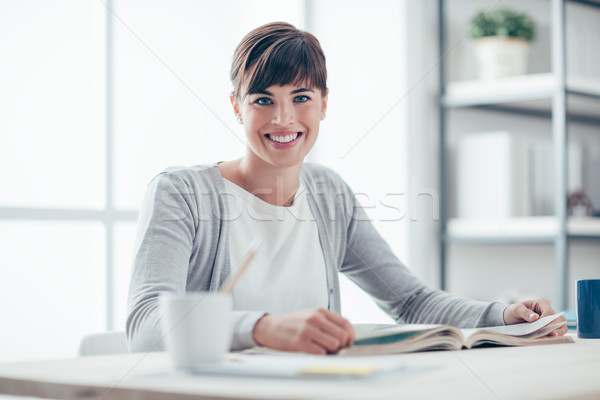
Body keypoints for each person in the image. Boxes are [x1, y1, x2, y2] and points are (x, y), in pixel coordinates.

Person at [126, 21, 567, 355]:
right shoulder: (180, 193)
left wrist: (502, 316)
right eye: (263, 100)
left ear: (324, 104)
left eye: (301, 98)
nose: (283, 119)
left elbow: (409, 301)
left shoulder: (328, 192)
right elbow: (146, 323)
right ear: (236, 108)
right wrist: (262, 328)